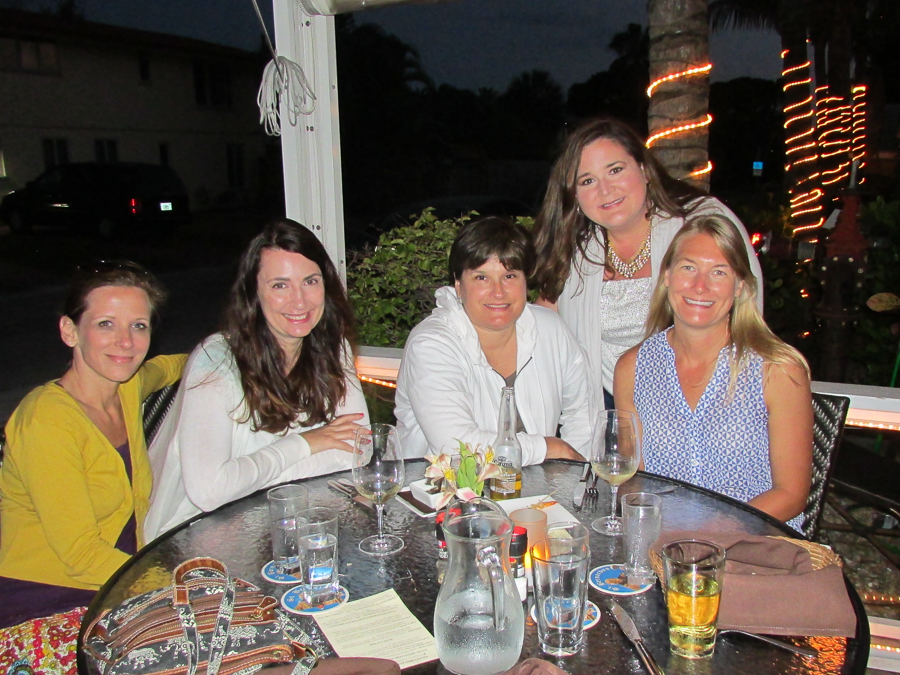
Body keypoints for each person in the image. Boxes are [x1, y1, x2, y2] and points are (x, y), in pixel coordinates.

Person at [145, 219, 368, 540]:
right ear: (253, 293)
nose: (300, 301)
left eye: (310, 281)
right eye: (280, 285)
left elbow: (356, 452)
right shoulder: (217, 361)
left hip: (300, 523)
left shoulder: (334, 349)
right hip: (204, 538)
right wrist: (305, 444)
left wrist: (251, 476)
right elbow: (209, 493)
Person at [0, 260, 185, 629]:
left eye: (139, 326)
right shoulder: (47, 421)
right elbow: (81, 554)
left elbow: (173, 365)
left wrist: (229, 349)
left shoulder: (128, 386)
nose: (126, 342)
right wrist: (173, 584)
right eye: (106, 325)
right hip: (44, 602)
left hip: (113, 584)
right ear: (70, 331)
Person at [531, 117, 764, 410]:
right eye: (587, 180)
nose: (605, 190)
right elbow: (538, 321)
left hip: (707, 396)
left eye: (615, 170)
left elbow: (748, 311)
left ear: (644, 170)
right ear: (575, 196)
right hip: (606, 407)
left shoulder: (702, 223)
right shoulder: (575, 250)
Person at [614, 214, 813, 528]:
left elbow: (791, 494)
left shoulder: (777, 370)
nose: (700, 286)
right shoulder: (633, 368)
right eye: (688, 267)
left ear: (740, 286)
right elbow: (635, 478)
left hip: (755, 546)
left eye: (719, 272)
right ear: (666, 275)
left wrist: (708, 539)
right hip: (665, 546)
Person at [395, 217, 592, 464]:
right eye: (481, 277)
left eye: (509, 276)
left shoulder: (550, 329)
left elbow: (582, 414)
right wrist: (547, 448)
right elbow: (455, 446)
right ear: (458, 284)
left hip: (538, 496)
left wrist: (575, 478)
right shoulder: (431, 344)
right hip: (442, 493)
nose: (498, 292)